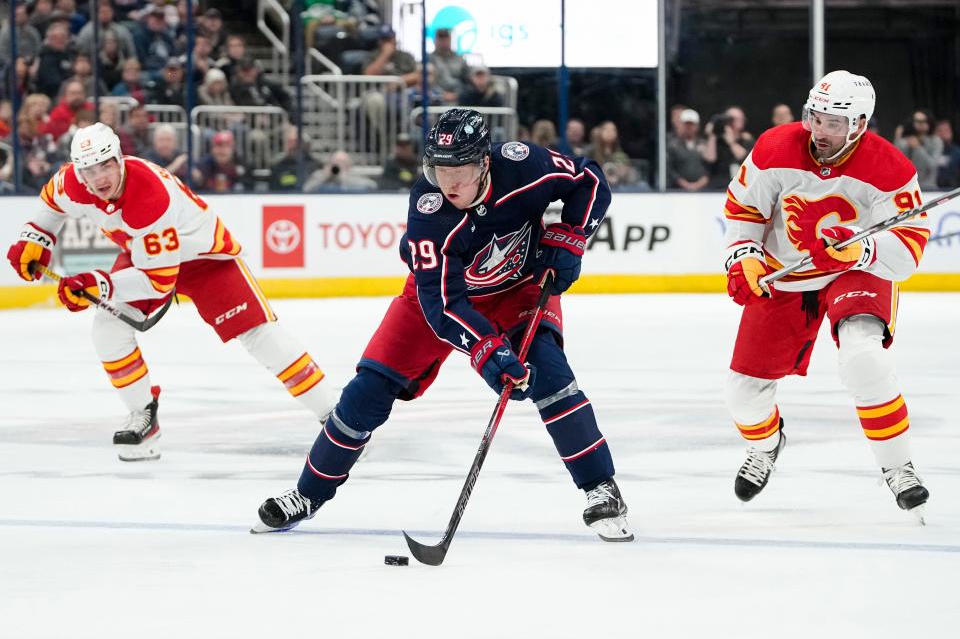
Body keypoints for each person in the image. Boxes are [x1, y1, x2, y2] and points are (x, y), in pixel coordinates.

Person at [252, 108, 634, 542]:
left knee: (551, 378)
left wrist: (572, 237)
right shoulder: (430, 211)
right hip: (434, 300)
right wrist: (485, 348)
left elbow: (590, 179)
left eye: (460, 169)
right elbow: (442, 304)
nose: (448, 183)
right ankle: (308, 494)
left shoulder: (524, 163)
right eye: (439, 169)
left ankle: (600, 487)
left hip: (517, 291)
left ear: (485, 162)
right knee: (366, 394)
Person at [6, 123, 335, 462]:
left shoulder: (149, 195)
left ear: (120, 158)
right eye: (89, 170)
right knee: (108, 327)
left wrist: (100, 284)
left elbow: (156, 282)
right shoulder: (73, 182)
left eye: (106, 165)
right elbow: (51, 203)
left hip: (204, 257)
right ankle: (143, 418)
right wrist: (36, 237)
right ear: (78, 171)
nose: (99, 177)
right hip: (144, 254)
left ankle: (337, 421)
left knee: (258, 333)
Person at [722, 71, 930, 520]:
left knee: (864, 358)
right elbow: (744, 210)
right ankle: (767, 444)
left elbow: (908, 250)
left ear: (858, 124)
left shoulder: (890, 168)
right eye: (815, 117)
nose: (819, 130)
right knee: (743, 394)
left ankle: (898, 467)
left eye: (833, 123)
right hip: (787, 274)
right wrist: (744, 255)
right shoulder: (775, 148)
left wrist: (862, 247)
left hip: (855, 271)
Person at [894, 110, 942, 191]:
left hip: (928, 188)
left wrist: (918, 148)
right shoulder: (905, 141)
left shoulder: (935, 141)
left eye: (923, 121)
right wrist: (897, 139)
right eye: (916, 121)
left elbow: (932, 166)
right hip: (907, 188)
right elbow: (895, 163)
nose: (920, 124)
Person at [666, 108, 709, 191]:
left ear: (697, 126)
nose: (689, 127)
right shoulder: (673, 145)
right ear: (681, 125)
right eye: (686, 124)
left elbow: (710, 167)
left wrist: (699, 184)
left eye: (692, 124)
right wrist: (684, 184)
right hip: (678, 190)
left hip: (704, 191)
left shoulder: (705, 144)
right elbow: (670, 169)